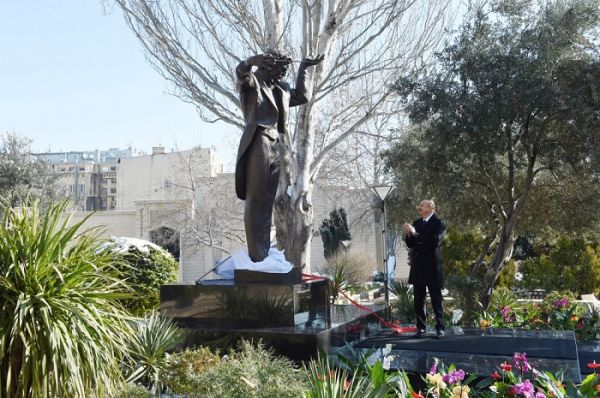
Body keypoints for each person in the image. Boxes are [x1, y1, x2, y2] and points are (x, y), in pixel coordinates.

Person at [235, 50, 324, 262]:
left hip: (274, 144)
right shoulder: (253, 83)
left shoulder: (280, 88)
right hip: (257, 139)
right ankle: (256, 254)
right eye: (281, 67)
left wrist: (303, 68)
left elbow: (302, 96)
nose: (284, 72)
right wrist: (250, 61)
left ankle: (263, 252)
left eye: (285, 69)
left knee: (267, 201)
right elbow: (241, 74)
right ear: (267, 65)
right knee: (256, 198)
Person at [403, 199, 446, 338]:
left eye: (422, 205)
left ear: (430, 208)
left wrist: (416, 234)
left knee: (436, 299)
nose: (419, 207)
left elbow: (434, 241)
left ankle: (440, 327)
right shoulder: (416, 223)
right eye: (419, 205)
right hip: (418, 266)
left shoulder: (439, 223)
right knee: (418, 299)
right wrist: (409, 234)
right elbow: (411, 244)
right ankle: (421, 327)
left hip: (433, 266)